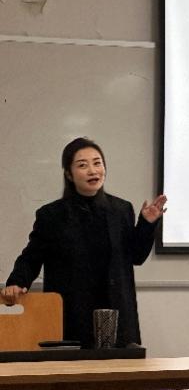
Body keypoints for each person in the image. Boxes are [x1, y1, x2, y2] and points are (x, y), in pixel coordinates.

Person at [1, 137, 167, 348]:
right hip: (73, 314)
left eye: (97, 163)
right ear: (69, 174)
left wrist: (146, 224)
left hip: (116, 315)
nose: (92, 171)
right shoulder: (52, 215)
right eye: (82, 165)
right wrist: (17, 282)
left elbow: (136, 256)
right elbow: (32, 257)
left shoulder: (121, 209)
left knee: (118, 369)